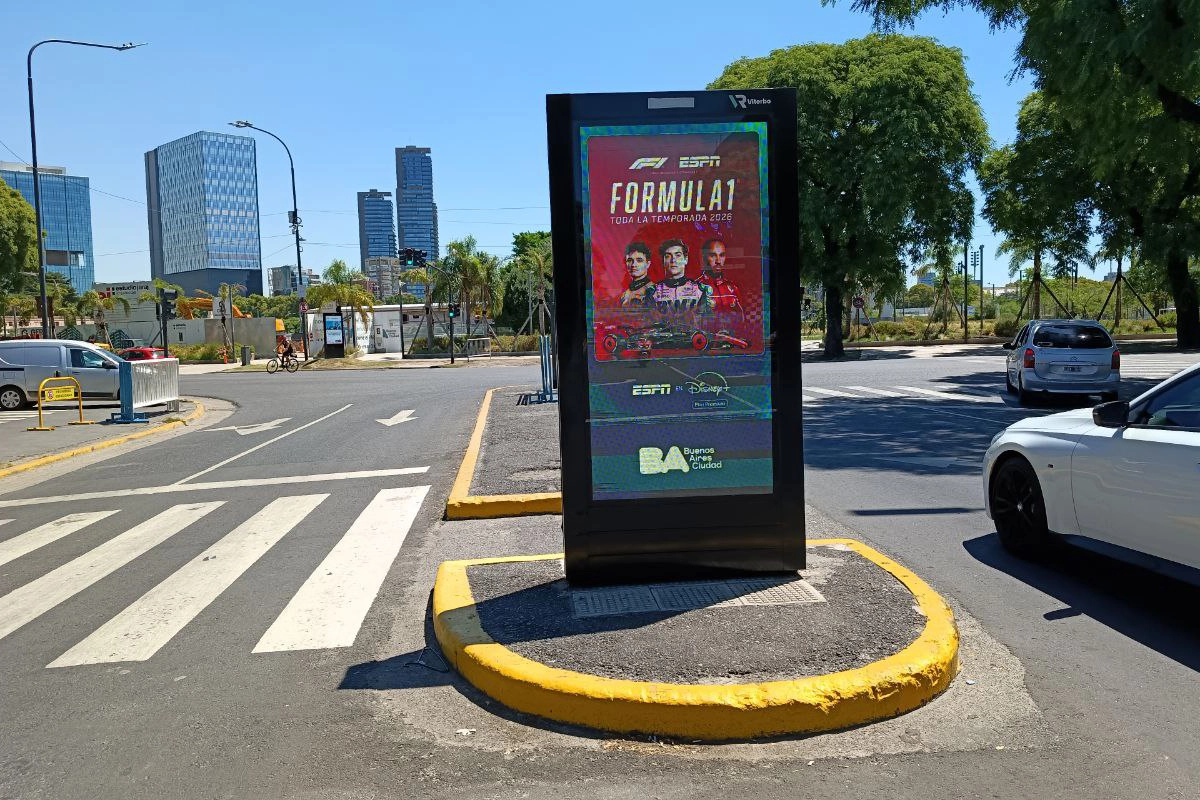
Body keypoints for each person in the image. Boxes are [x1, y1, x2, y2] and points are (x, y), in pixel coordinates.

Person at [650, 239, 712, 314]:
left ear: (686, 259)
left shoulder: (700, 290)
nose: (673, 260)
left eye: (678, 255)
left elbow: (707, 320)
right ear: (663, 261)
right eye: (668, 256)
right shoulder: (652, 292)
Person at [698, 238, 744, 319]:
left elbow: (742, 320)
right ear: (704, 258)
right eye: (713, 255)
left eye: (722, 255)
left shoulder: (733, 288)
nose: (718, 261)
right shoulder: (696, 288)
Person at [618, 241, 656, 307]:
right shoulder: (624, 294)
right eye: (629, 260)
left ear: (648, 264)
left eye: (639, 260)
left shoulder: (654, 291)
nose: (633, 265)